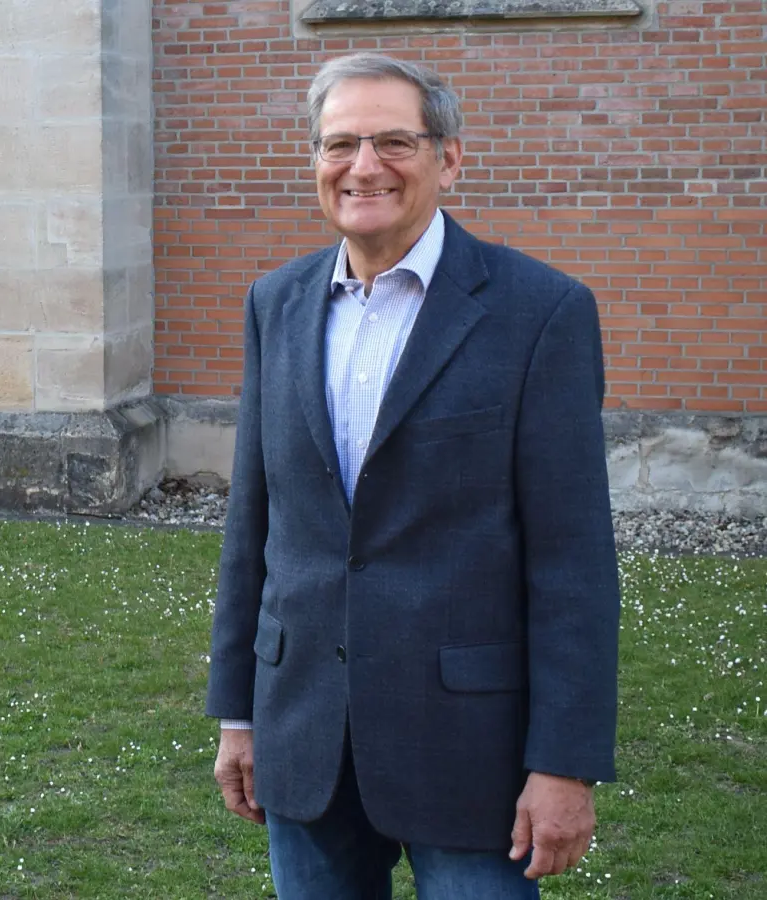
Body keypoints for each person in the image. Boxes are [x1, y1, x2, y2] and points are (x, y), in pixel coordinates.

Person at [204, 52, 621, 899]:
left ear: (450, 158)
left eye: (394, 141)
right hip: (307, 731)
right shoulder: (274, 304)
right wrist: (239, 714)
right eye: (340, 145)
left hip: (469, 751)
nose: (364, 167)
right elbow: (254, 528)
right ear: (316, 161)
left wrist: (564, 765)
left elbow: (572, 561)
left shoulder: (540, 313)